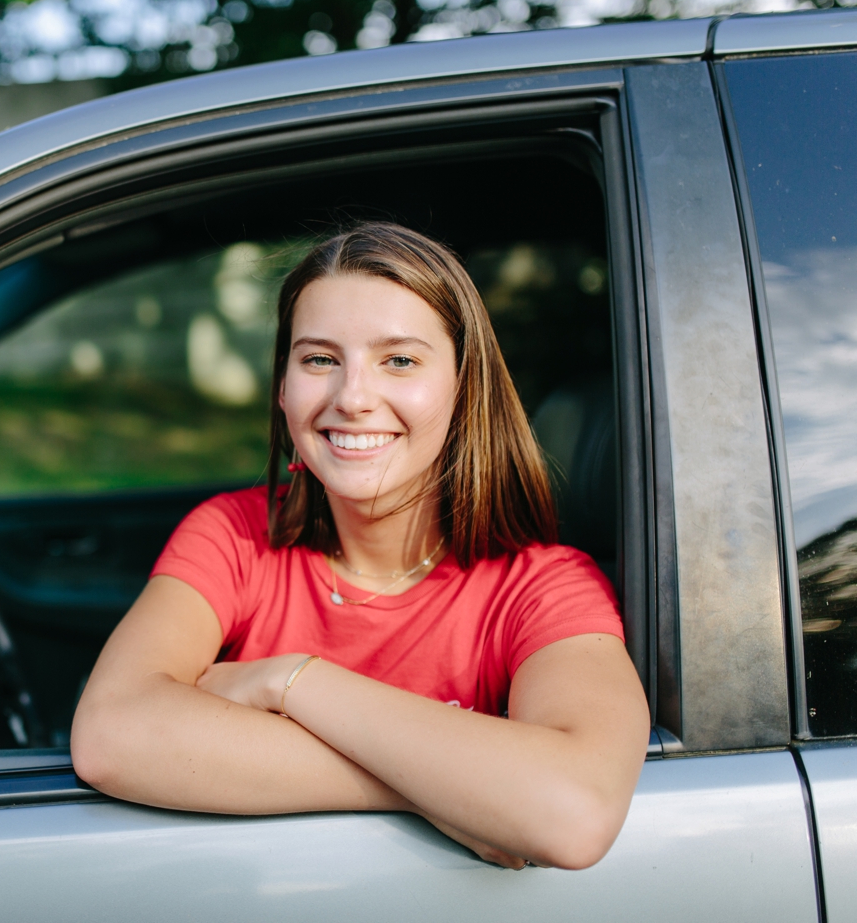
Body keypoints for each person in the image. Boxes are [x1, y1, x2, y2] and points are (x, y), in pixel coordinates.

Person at [69, 222, 650, 871]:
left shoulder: (543, 588)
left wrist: (285, 681)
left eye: (399, 360)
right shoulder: (233, 536)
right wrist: (442, 789)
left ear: (464, 389)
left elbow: (571, 812)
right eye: (320, 359)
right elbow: (111, 734)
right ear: (283, 389)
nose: (352, 398)